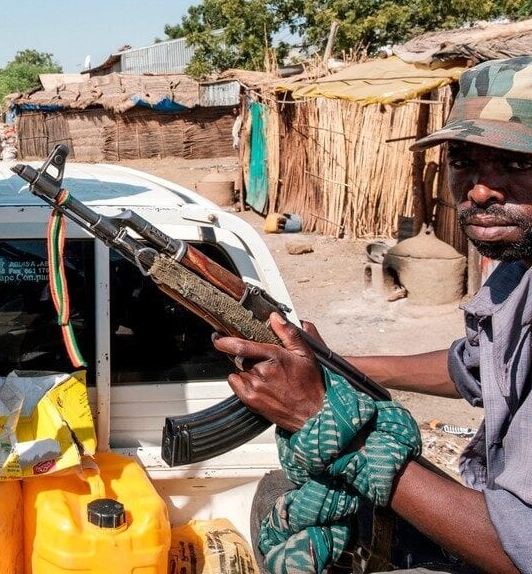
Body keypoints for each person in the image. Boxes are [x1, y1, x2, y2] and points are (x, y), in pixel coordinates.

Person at [220, 56, 532, 574]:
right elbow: (475, 367)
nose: (480, 190)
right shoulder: (520, 268)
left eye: (518, 164)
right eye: (464, 162)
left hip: (504, 545)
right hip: (496, 510)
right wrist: (334, 363)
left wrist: (323, 420)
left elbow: (516, 546)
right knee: (276, 499)